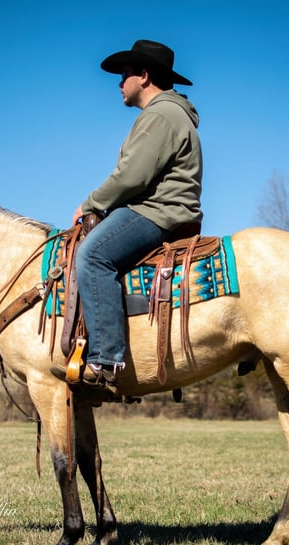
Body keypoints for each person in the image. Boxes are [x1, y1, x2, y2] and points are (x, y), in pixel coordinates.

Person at [69, 39, 203, 385]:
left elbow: (132, 175)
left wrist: (91, 203)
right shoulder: (168, 113)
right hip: (164, 210)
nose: (119, 82)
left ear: (144, 76)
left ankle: (105, 359)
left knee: (93, 255)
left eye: (125, 74)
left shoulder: (161, 114)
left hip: (157, 212)